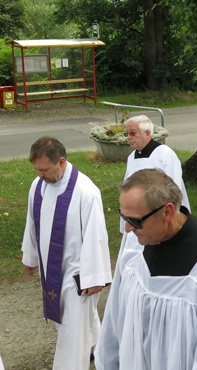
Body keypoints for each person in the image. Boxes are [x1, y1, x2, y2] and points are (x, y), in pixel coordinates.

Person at [95, 169, 197, 369]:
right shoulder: (134, 247)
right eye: (124, 217)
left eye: (134, 221)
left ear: (167, 212)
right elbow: (115, 320)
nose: (127, 229)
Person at [22, 136, 112, 370]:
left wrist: (94, 277)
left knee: (72, 333)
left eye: (44, 169)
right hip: (51, 271)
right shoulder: (38, 186)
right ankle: (105, 352)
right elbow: (32, 222)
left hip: (78, 276)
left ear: (61, 162)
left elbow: (96, 236)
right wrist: (30, 257)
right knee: (80, 323)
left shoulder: (86, 192)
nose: (40, 175)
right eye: (37, 170)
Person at [122, 114, 190, 231]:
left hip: (156, 214)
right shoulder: (132, 157)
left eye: (132, 133)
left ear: (147, 133)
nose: (128, 137)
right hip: (136, 214)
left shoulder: (165, 155)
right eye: (126, 133)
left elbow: (173, 189)